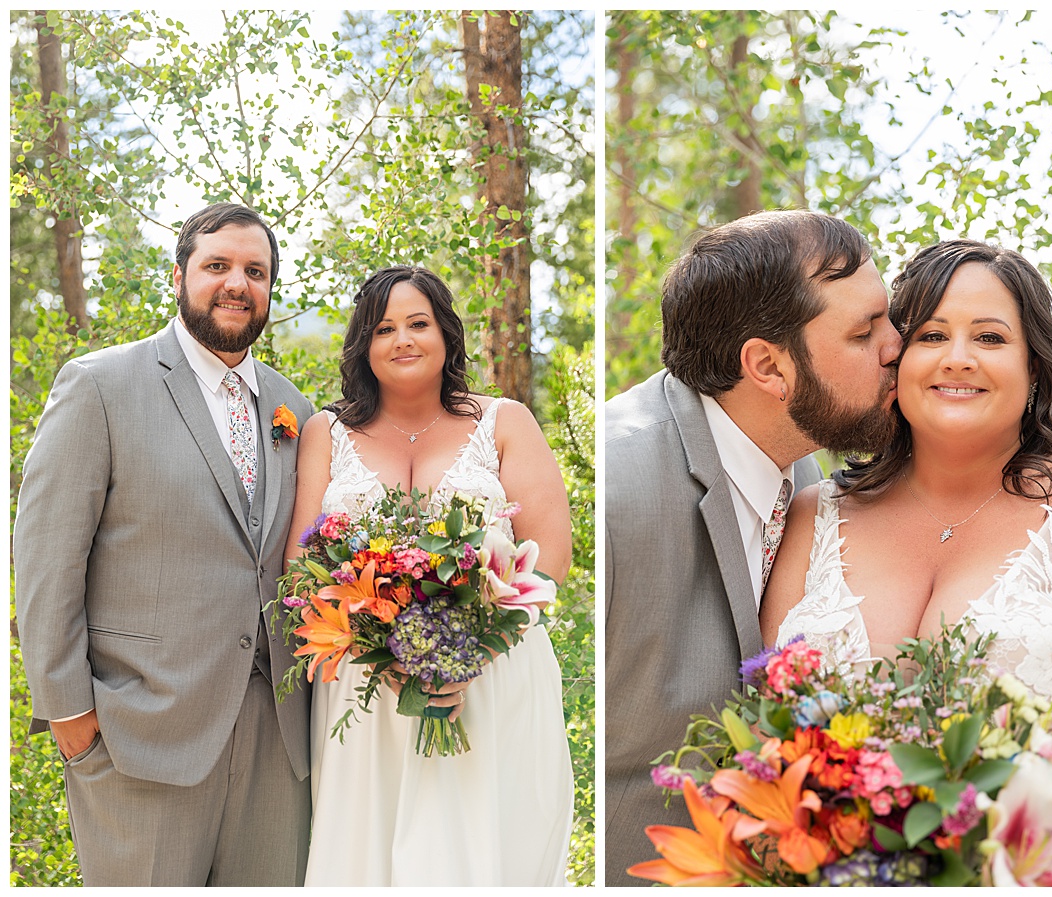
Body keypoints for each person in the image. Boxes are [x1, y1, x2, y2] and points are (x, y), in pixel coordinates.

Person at [761, 239, 1052, 886]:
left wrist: (1018, 880)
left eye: (989, 337)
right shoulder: (810, 514)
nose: (957, 358)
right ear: (895, 361)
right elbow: (777, 741)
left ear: (1035, 367)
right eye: (931, 334)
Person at [13, 203, 315, 885]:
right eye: (218, 266)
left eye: (256, 270)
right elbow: (45, 558)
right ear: (178, 276)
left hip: (275, 747)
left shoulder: (293, 408)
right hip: (137, 739)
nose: (238, 282)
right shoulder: (100, 385)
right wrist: (70, 713)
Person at [605, 209, 904, 885]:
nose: (900, 346)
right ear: (767, 365)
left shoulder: (806, 473)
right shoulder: (613, 487)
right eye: (865, 332)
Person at [287, 265, 574, 886]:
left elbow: (550, 552)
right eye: (384, 328)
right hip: (365, 689)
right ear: (364, 345)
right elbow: (301, 570)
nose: (403, 339)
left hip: (493, 674)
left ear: (446, 334)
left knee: (485, 851)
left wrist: (468, 645)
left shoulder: (504, 421)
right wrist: (380, 649)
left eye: (419, 323)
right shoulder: (325, 433)